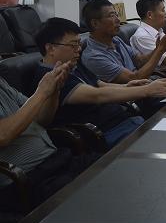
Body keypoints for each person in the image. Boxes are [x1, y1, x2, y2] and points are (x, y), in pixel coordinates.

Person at [33, 18, 166, 146]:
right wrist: (146, 90)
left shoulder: (73, 65)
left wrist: (127, 86)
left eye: (79, 43)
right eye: (73, 45)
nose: (78, 49)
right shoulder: (49, 77)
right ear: (50, 48)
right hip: (104, 133)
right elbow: (97, 95)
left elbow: (100, 85)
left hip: (123, 120)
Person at [0, 62, 98, 211]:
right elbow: (3, 135)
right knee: (90, 198)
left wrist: (54, 92)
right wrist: (42, 92)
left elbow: (41, 119)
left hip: (56, 160)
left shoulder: (2, 83)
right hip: (27, 180)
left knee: (109, 166)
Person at [80, 0, 166, 83]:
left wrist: (158, 49)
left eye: (116, 15)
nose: (118, 20)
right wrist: (160, 50)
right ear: (95, 23)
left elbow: (140, 61)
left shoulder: (116, 40)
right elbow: (133, 78)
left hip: (145, 85)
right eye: (111, 16)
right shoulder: (93, 56)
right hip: (130, 97)